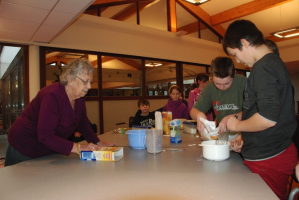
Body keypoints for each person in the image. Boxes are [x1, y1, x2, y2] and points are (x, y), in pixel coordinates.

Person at [223, 19, 297, 200]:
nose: (237, 60)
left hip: (270, 158)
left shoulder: (264, 68)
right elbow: (265, 112)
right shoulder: (272, 63)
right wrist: (245, 137)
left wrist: (237, 125)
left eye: (235, 54)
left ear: (245, 43)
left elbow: (267, 119)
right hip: (272, 153)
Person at [5, 58, 113, 167]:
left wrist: (98, 142)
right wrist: (79, 148)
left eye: (90, 82)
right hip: (24, 145)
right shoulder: (51, 96)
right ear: (69, 79)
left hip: (47, 149)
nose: (89, 87)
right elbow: (45, 136)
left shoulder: (79, 97)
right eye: (85, 81)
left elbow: (82, 122)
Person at [190, 56, 246, 136]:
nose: (222, 87)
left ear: (234, 74)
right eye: (217, 83)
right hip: (223, 136)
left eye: (227, 83)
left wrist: (231, 118)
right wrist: (199, 115)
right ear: (212, 77)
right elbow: (193, 111)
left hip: (245, 134)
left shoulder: (244, 84)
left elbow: (255, 113)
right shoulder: (210, 88)